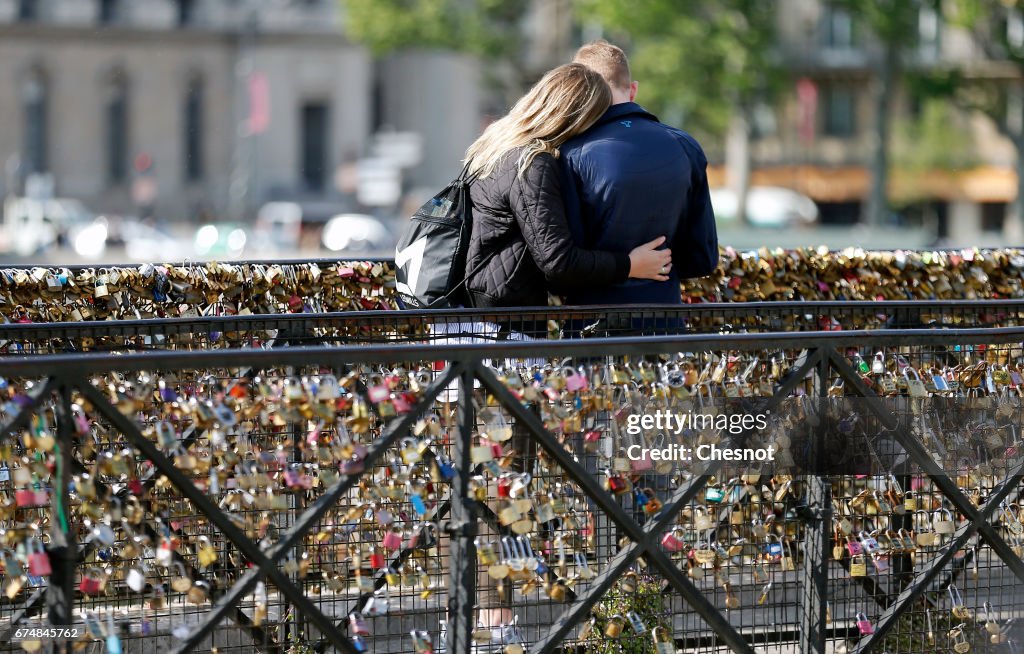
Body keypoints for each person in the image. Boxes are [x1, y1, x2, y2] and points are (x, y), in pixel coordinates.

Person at [461, 62, 673, 310]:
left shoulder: (495, 147)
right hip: (503, 326)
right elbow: (559, 261)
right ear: (579, 118)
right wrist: (629, 264)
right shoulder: (532, 163)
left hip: (474, 312)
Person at [559, 40, 719, 307]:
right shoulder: (685, 146)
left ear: (579, 92)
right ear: (633, 90)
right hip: (662, 323)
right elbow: (702, 257)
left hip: (591, 327)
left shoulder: (570, 153)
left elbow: (564, 263)